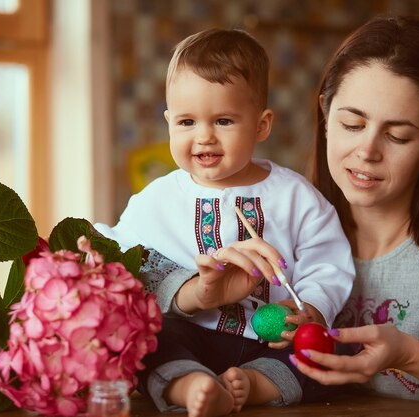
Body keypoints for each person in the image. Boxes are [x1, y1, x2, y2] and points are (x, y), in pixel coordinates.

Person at [142, 15, 419, 413]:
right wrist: (195, 292)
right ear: (326, 117)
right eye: (352, 123)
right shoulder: (291, 216)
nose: (367, 151)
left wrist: (410, 355)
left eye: (398, 136)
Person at [95, 28, 355, 417]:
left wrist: (312, 309)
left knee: (334, 350)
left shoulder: (295, 196)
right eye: (186, 122)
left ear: (261, 125)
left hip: (272, 344)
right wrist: (192, 292)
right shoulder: (156, 201)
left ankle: (253, 384)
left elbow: (328, 261)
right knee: (148, 339)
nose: (204, 137)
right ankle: (190, 384)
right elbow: (123, 258)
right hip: (190, 334)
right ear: (168, 122)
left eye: (223, 121)